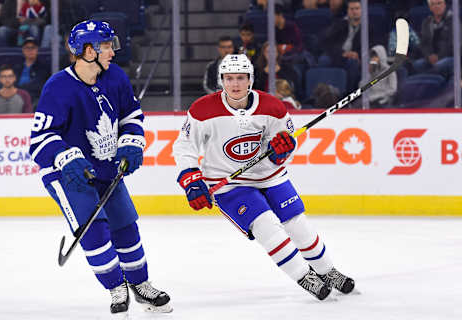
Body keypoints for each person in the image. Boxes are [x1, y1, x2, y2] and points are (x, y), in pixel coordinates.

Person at [173, 54, 355, 301]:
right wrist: (192, 181)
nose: (235, 84)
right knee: (265, 224)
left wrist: (282, 152)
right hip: (228, 183)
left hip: (270, 177)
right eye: (229, 79)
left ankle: (328, 271)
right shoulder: (202, 110)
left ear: (250, 80)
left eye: (240, 78)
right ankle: (304, 276)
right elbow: (184, 147)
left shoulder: (273, 107)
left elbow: (286, 145)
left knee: (297, 225)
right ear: (221, 81)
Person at [29, 20, 172, 315]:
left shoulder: (115, 76)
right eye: (106, 46)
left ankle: (141, 285)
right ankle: (115, 287)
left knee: (126, 227)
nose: (112, 52)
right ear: (87, 50)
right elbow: (40, 139)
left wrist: (132, 141)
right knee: (95, 231)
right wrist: (66, 157)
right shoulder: (58, 87)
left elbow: (131, 114)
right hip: (68, 174)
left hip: (105, 166)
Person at [413, 0, 455, 78]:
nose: (436, 6)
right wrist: (429, 56)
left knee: (440, 65)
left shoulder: (453, 21)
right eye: (433, 4)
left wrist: (439, 57)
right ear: (430, 8)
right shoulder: (427, 22)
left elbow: (452, 44)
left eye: (439, 3)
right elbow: (423, 44)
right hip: (431, 58)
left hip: (449, 57)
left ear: (444, 5)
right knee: (418, 64)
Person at [14, 36, 50, 106]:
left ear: (37, 50)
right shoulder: (17, 67)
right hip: (17, 97)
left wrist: (19, 89)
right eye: (27, 48)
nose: (30, 50)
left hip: (34, 98)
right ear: (23, 50)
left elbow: (38, 86)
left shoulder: (44, 67)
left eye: (33, 47)